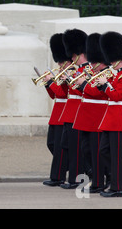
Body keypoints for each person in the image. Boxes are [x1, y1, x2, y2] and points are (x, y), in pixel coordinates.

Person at [95, 31, 122, 197]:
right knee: (104, 151)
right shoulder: (116, 75)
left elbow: (117, 96)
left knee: (115, 153)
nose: (110, 61)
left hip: (118, 118)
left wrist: (105, 85)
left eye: (111, 58)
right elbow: (108, 94)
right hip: (110, 117)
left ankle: (117, 187)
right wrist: (101, 85)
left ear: (119, 57)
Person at [72, 33, 110, 193]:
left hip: (97, 116)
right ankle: (97, 178)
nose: (92, 63)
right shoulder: (93, 72)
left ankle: (99, 183)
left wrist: (84, 84)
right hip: (87, 117)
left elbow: (98, 93)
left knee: (96, 151)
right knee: (87, 150)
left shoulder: (107, 73)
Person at [58, 28, 88, 189]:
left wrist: (71, 80)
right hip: (71, 111)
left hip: (79, 111)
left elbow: (87, 90)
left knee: (77, 150)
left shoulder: (86, 70)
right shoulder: (77, 70)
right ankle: (76, 178)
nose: (71, 58)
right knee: (69, 147)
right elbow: (65, 93)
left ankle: (77, 180)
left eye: (73, 55)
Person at [42, 33, 70, 187]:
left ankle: (58, 176)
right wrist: (47, 84)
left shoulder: (70, 73)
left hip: (65, 111)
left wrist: (51, 81)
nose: (60, 64)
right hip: (57, 112)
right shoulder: (62, 73)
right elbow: (54, 95)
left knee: (59, 147)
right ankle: (63, 168)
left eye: (62, 62)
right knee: (51, 144)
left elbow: (62, 93)